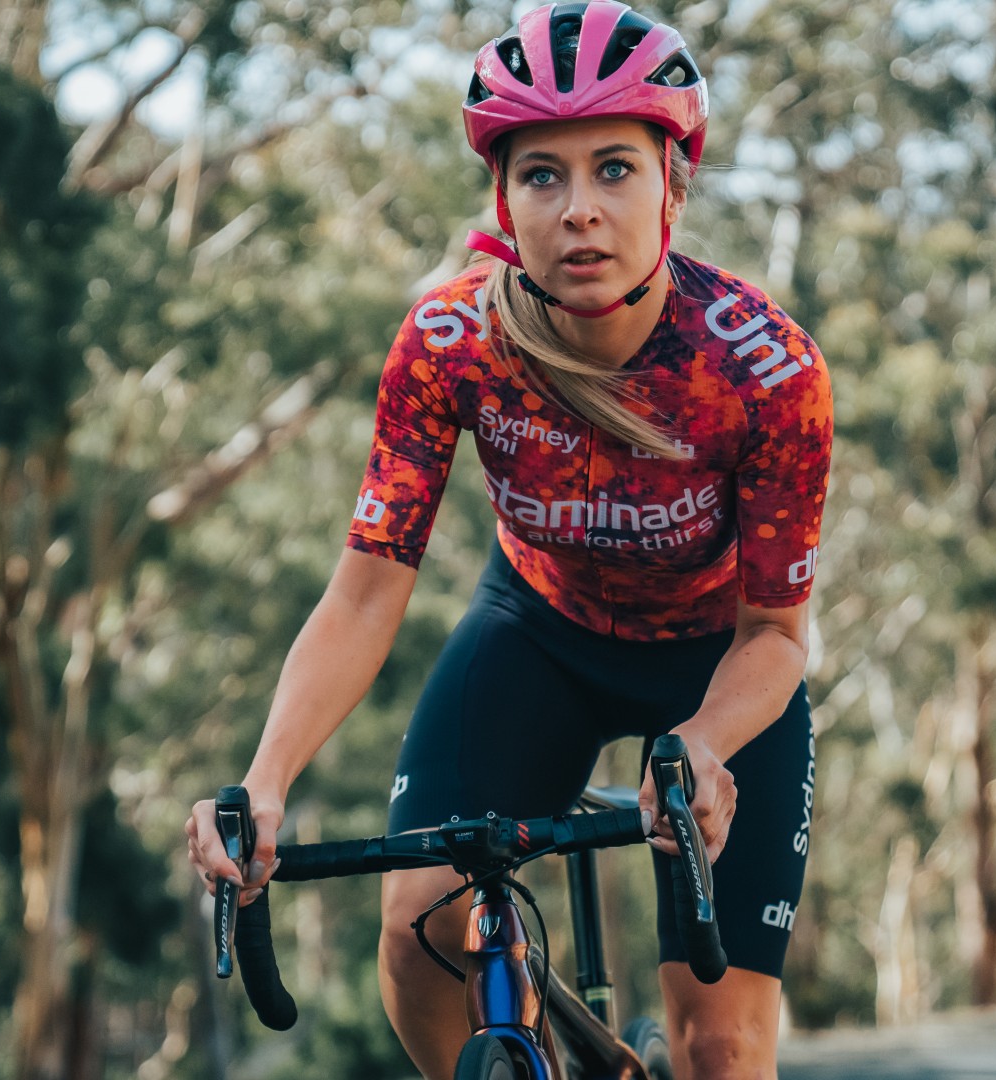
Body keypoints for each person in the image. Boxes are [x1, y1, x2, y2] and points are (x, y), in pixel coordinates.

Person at [185, 3, 833, 1076]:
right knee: (420, 938)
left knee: (720, 1046)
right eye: (542, 175)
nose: (579, 209)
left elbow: (777, 633)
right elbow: (365, 593)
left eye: (615, 169)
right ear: (503, 198)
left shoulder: (765, 370)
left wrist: (709, 743)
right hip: (537, 638)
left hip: (719, 665)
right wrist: (265, 779)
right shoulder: (449, 343)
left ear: (673, 186)